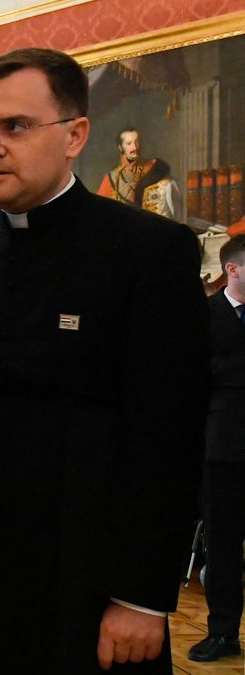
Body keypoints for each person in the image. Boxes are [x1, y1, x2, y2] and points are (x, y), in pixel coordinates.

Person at [0, 48, 209, 674]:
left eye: (14, 127)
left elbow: (169, 434)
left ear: (75, 135)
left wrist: (141, 593)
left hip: (86, 577)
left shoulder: (149, 253)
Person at [189, 235, 245, 662]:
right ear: (233, 269)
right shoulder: (204, 316)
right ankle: (223, 634)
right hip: (221, 448)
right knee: (222, 547)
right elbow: (193, 375)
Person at [96, 127, 179, 219]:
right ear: (120, 147)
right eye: (129, 144)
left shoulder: (154, 168)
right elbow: (99, 212)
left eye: (137, 142)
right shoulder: (111, 178)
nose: (134, 147)